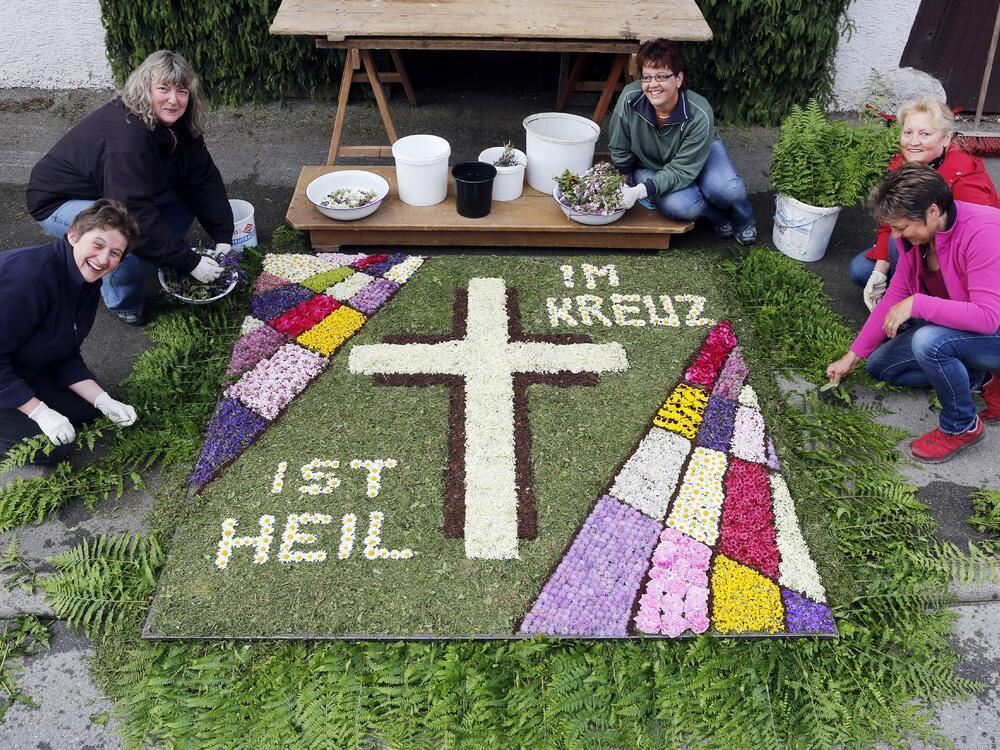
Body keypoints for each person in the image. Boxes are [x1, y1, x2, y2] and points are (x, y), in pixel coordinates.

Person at [27, 50, 233, 326]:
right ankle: (121, 299)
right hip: (59, 200)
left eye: (182, 91)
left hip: (112, 190)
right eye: (163, 89)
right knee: (125, 239)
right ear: (145, 89)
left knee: (183, 201)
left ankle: (158, 253)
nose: (173, 100)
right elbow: (132, 214)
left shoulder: (181, 124)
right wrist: (189, 262)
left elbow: (203, 178)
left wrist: (222, 235)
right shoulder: (127, 138)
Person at [826, 163, 1000, 463]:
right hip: (969, 324)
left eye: (901, 227)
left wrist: (918, 304)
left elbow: (987, 317)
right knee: (881, 367)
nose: (896, 234)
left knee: (929, 342)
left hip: (992, 328)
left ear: (932, 211)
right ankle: (981, 375)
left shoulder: (984, 233)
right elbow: (895, 295)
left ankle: (961, 426)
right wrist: (852, 357)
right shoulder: (913, 237)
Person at [0, 200, 142, 464]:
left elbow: (64, 350)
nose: (104, 259)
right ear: (73, 235)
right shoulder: (28, 279)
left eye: (115, 253)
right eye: (98, 244)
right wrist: (40, 412)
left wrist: (103, 401)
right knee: (52, 449)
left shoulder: (85, 282)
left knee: (90, 410)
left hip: (21, 365)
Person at [848, 98, 1000, 311]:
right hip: (921, 246)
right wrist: (880, 270)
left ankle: (922, 307)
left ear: (946, 138)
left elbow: (982, 243)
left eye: (925, 134)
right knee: (861, 270)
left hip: (958, 265)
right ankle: (904, 293)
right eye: (908, 132)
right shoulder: (904, 164)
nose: (913, 142)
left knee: (897, 244)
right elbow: (890, 222)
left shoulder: (965, 180)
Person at [609, 38, 756, 245]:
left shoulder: (699, 112)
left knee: (727, 189)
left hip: (699, 154)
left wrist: (641, 191)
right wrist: (623, 185)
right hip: (651, 164)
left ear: (678, 79)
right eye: (647, 77)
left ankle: (743, 221)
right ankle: (718, 217)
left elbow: (682, 169)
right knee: (682, 205)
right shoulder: (629, 98)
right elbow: (620, 145)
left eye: (662, 76)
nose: (653, 85)